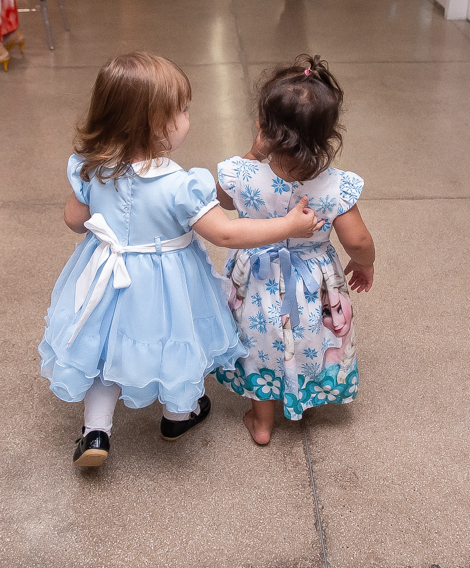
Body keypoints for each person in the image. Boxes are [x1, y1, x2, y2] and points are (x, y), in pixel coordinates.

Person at [38, 52, 324, 468]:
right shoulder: (179, 185)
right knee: (176, 343)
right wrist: (287, 226)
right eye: (183, 110)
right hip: (166, 286)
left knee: (105, 351)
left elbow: (73, 220)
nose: (189, 117)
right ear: (158, 124)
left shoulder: (92, 169)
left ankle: (96, 431)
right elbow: (225, 233)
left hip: (108, 275)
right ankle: (178, 416)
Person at [214, 54, 375, 446]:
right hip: (311, 281)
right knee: (310, 335)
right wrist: (363, 263)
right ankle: (305, 394)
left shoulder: (243, 172)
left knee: (258, 342)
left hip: (256, 278)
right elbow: (357, 240)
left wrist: (253, 154)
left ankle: (261, 421)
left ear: (263, 128)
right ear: (329, 135)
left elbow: (223, 200)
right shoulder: (336, 186)